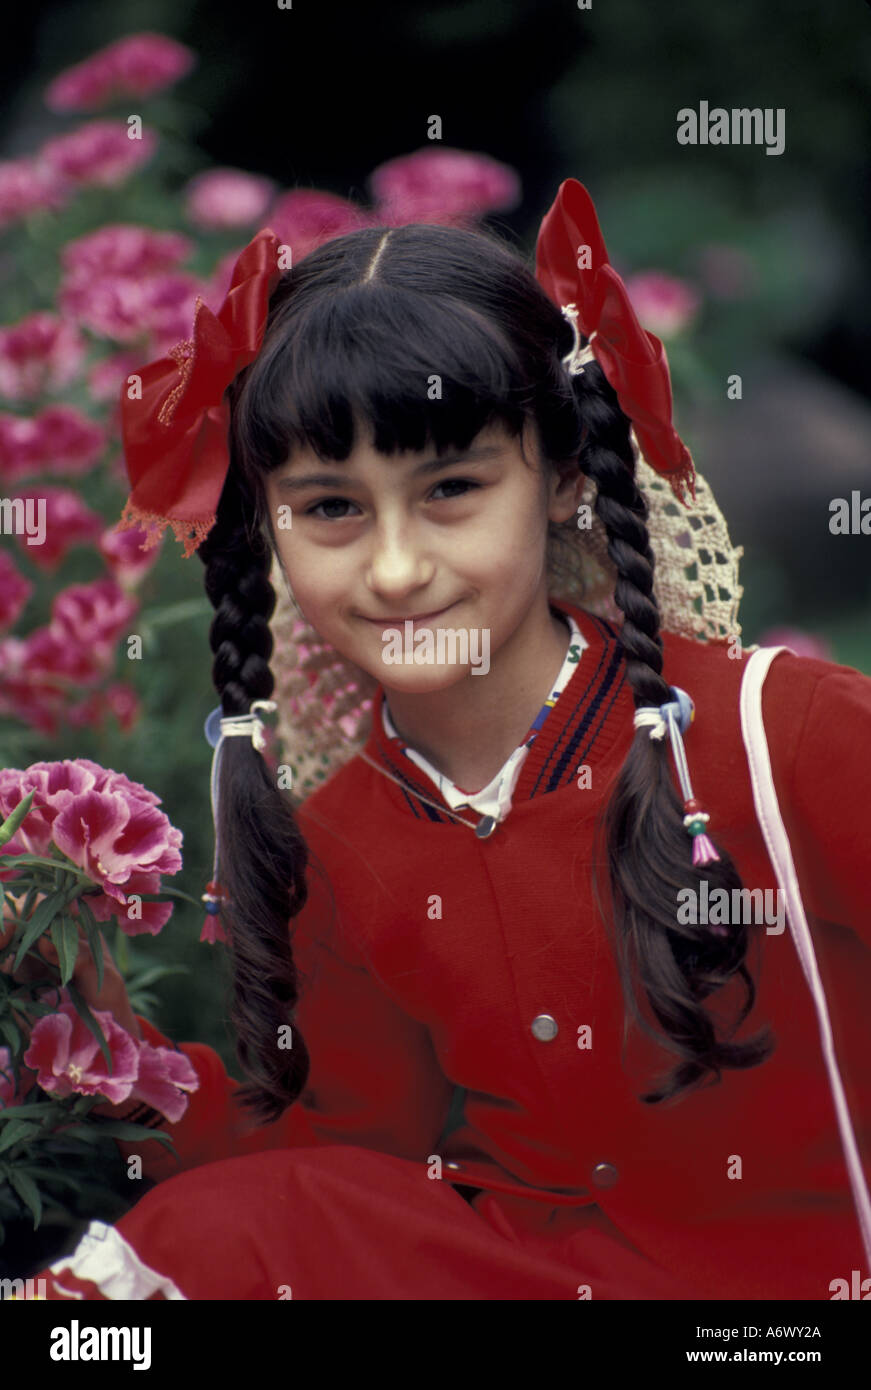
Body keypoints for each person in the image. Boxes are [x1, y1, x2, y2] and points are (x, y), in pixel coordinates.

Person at [23, 180, 871, 1301]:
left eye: (452, 489)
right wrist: (88, 1030)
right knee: (217, 1231)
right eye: (331, 507)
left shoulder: (784, 735)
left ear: (564, 480)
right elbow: (347, 1162)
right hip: (518, 1273)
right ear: (262, 524)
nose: (393, 568)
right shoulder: (341, 832)